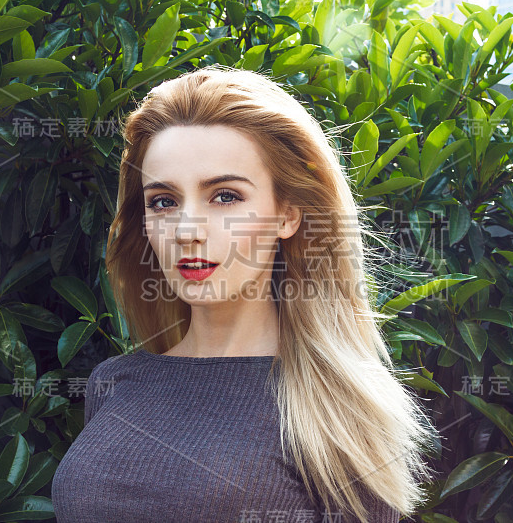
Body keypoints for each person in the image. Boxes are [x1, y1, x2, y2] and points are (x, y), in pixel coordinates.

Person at [51, 64, 439, 523]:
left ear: (287, 214)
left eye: (225, 196)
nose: (188, 231)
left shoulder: (336, 408)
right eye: (164, 201)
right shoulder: (114, 383)